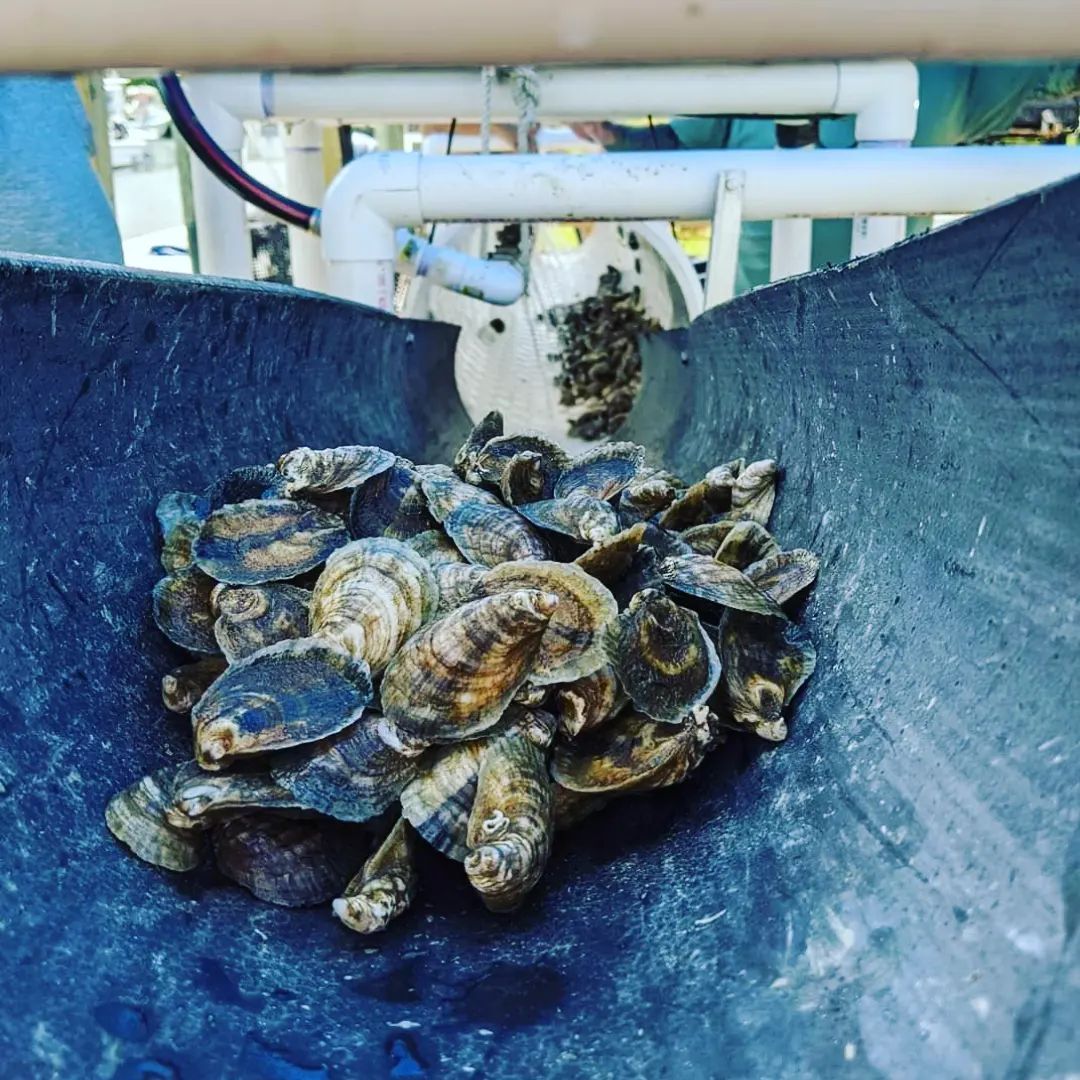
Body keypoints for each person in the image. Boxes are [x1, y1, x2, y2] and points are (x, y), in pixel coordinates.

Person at [571, 61, 1080, 294]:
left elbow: (1055, 55)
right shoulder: (762, 43)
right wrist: (611, 133)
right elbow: (677, 144)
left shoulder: (950, 60)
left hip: (892, 314)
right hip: (755, 313)